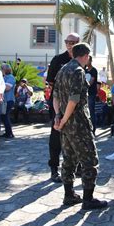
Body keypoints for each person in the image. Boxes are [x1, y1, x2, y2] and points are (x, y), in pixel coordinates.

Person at [53, 42, 108, 210]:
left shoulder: (62, 70)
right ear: (85, 55)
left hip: (65, 123)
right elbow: (74, 99)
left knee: (69, 159)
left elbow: (55, 96)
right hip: (78, 123)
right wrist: (63, 119)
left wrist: (58, 117)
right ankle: (88, 199)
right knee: (90, 159)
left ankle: (69, 195)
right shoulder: (78, 71)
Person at [46, 32, 80, 183]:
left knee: (77, 137)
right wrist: (57, 108)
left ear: (79, 42)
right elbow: (51, 84)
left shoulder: (82, 60)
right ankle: (54, 169)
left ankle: (77, 167)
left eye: (72, 42)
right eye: (67, 41)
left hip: (76, 107)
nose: (69, 44)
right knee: (56, 137)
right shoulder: (58, 60)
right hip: (59, 104)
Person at [1, 63, 16, 138]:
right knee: (3, 116)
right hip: (5, 100)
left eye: (2, 69)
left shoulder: (10, 77)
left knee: (5, 116)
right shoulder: (4, 77)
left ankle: (9, 133)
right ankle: (8, 132)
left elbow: (7, 88)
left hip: (9, 100)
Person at [86, 56, 98, 134]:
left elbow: (91, 82)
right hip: (84, 94)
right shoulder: (84, 70)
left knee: (91, 111)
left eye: (87, 60)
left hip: (91, 94)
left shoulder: (94, 70)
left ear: (90, 61)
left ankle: (93, 129)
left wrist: (83, 85)